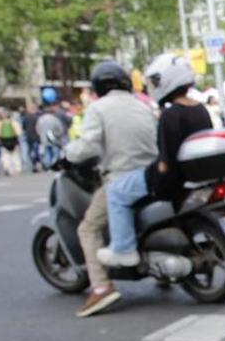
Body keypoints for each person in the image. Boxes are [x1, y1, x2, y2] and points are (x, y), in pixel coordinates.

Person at [98, 53, 211, 269]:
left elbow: (164, 160)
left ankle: (123, 249)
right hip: (192, 176)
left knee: (116, 191)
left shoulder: (170, 115)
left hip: (168, 180)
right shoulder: (200, 109)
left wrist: (157, 170)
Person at [66, 61, 159, 318]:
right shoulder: (143, 107)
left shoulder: (98, 109)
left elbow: (88, 146)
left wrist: (68, 153)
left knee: (88, 228)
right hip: (150, 176)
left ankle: (101, 286)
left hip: (120, 176)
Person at [36, 89, 68, 168]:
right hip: (54, 138)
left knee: (47, 151)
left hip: (45, 138)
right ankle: (55, 163)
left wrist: (41, 135)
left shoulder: (41, 119)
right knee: (55, 151)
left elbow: (38, 129)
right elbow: (60, 128)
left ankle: (48, 164)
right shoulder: (55, 118)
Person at [20, 102, 41, 172]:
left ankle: (33, 163)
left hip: (28, 136)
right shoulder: (36, 118)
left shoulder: (25, 118)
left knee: (31, 150)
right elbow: (38, 127)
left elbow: (23, 127)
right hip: (35, 136)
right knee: (36, 150)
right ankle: (36, 161)